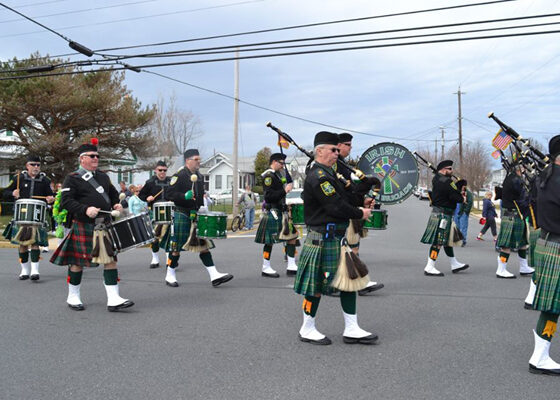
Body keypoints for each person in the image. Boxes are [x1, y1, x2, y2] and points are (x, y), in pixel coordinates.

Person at [294, 131, 377, 345]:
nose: (337, 154)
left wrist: (362, 200)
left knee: (349, 280)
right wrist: (360, 213)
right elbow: (335, 206)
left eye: (338, 150)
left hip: (337, 239)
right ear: (319, 151)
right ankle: (307, 328)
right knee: (316, 287)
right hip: (322, 239)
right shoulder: (318, 177)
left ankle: (352, 328)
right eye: (333, 150)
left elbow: (345, 198)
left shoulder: (331, 174)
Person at [50, 141, 132, 312]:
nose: (96, 159)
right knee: (77, 262)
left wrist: (117, 204)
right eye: (92, 156)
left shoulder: (103, 176)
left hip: (104, 224)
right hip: (83, 224)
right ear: (82, 159)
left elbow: (113, 194)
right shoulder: (72, 178)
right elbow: (66, 202)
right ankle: (73, 296)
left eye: (97, 156)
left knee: (110, 260)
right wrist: (85, 209)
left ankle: (114, 298)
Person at [164, 149, 233, 287]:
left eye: (199, 159)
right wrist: (184, 196)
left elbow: (200, 195)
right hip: (181, 213)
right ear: (188, 160)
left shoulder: (199, 176)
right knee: (176, 248)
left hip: (195, 214)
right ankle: (170, 274)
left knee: (203, 245)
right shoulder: (180, 175)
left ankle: (214, 275)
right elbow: (169, 194)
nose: (199, 162)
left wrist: (200, 207)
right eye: (196, 159)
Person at [527, 135, 560, 375]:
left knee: (552, 307)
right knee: (552, 307)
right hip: (557, 245)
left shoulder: (544, 178)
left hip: (549, 242)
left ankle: (540, 353)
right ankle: (539, 356)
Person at [336, 132, 384, 295]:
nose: (350, 148)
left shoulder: (342, 164)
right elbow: (343, 192)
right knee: (349, 248)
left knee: (352, 247)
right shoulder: (336, 166)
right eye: (348, 145)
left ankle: (353, 281)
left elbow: (350, 190)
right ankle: (357, 282)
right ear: (339, 145)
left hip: (351, 209)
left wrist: (361, 201)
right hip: (344, 212)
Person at [2, 155, 55, 281]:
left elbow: (51, 197)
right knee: (22, 244)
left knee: (35, 243)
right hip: (21, 216)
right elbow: (5, 193)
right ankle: (24, 270)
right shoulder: (18, 178)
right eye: (33, 164)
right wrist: (12, 194)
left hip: (37, 217)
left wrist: (51, 199)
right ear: (27, 166)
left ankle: (35, 271)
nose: (36, 167)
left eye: (38, 165)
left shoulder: (45, 180)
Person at [420, 160, 469, 277]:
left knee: (447, 242)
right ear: (443, 170)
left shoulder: (437, 179)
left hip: (440, 213)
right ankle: (430, 266)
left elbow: (447, 192)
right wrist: (462, 197)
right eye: (450, 169)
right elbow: (454, 196)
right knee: (438, 242)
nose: (452, 171)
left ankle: (454, 264)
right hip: (443, 215)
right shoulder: (447, 181)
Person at [255, 153, 298, 277]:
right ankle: (265, 267)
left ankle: (291, 265)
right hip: (273, 211)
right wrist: (285, 190)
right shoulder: (268, 176)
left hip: (281, 211)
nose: (283, 165)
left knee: (292, 236)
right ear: (274, 162)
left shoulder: (278, 175)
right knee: (270, 241)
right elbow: (268, 196)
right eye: (281, 163)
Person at [495, 162, 534, 278]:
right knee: (506, 245)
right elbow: (523, 195)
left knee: (522, 244)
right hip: (512, 215)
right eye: (522, 167)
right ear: (518, 168)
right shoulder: (515, 180)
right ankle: (501, 269)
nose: (523, 169)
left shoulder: (511, 178)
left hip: (517, 215)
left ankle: (524, 267)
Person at [139, 160, 171, 269]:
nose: (162, 172)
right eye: (160, 170)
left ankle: (169, 260)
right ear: (155, 170)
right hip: (154, 211)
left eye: (164, 170)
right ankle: (155, 258)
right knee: (154, 237)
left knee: (169, 236)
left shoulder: (171, 181)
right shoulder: (150, 182)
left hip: (169, 211)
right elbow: (141, 195)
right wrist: (147, 198)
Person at [453, 180, 473, 247]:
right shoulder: (457, 192)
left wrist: (466, 211)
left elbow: (470, 202)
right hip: (456, 212)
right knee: (456, 227)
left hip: (463, 212)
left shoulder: (468, 193)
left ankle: (463, 240)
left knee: (463, 227)